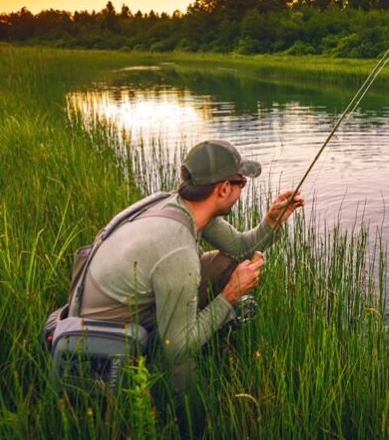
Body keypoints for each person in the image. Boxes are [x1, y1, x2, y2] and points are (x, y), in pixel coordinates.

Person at [76, 139, 303, 388]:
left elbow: (240, 249)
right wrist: (230, 295)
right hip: (111, 334)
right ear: (223, 189)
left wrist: (272, 220)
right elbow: (176, 349)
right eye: (242, 183)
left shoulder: (179, 205)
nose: (242, 191)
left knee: (228, 260)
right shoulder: (178, 251)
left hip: (129, 303)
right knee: (182, 361)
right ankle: (184, 414)